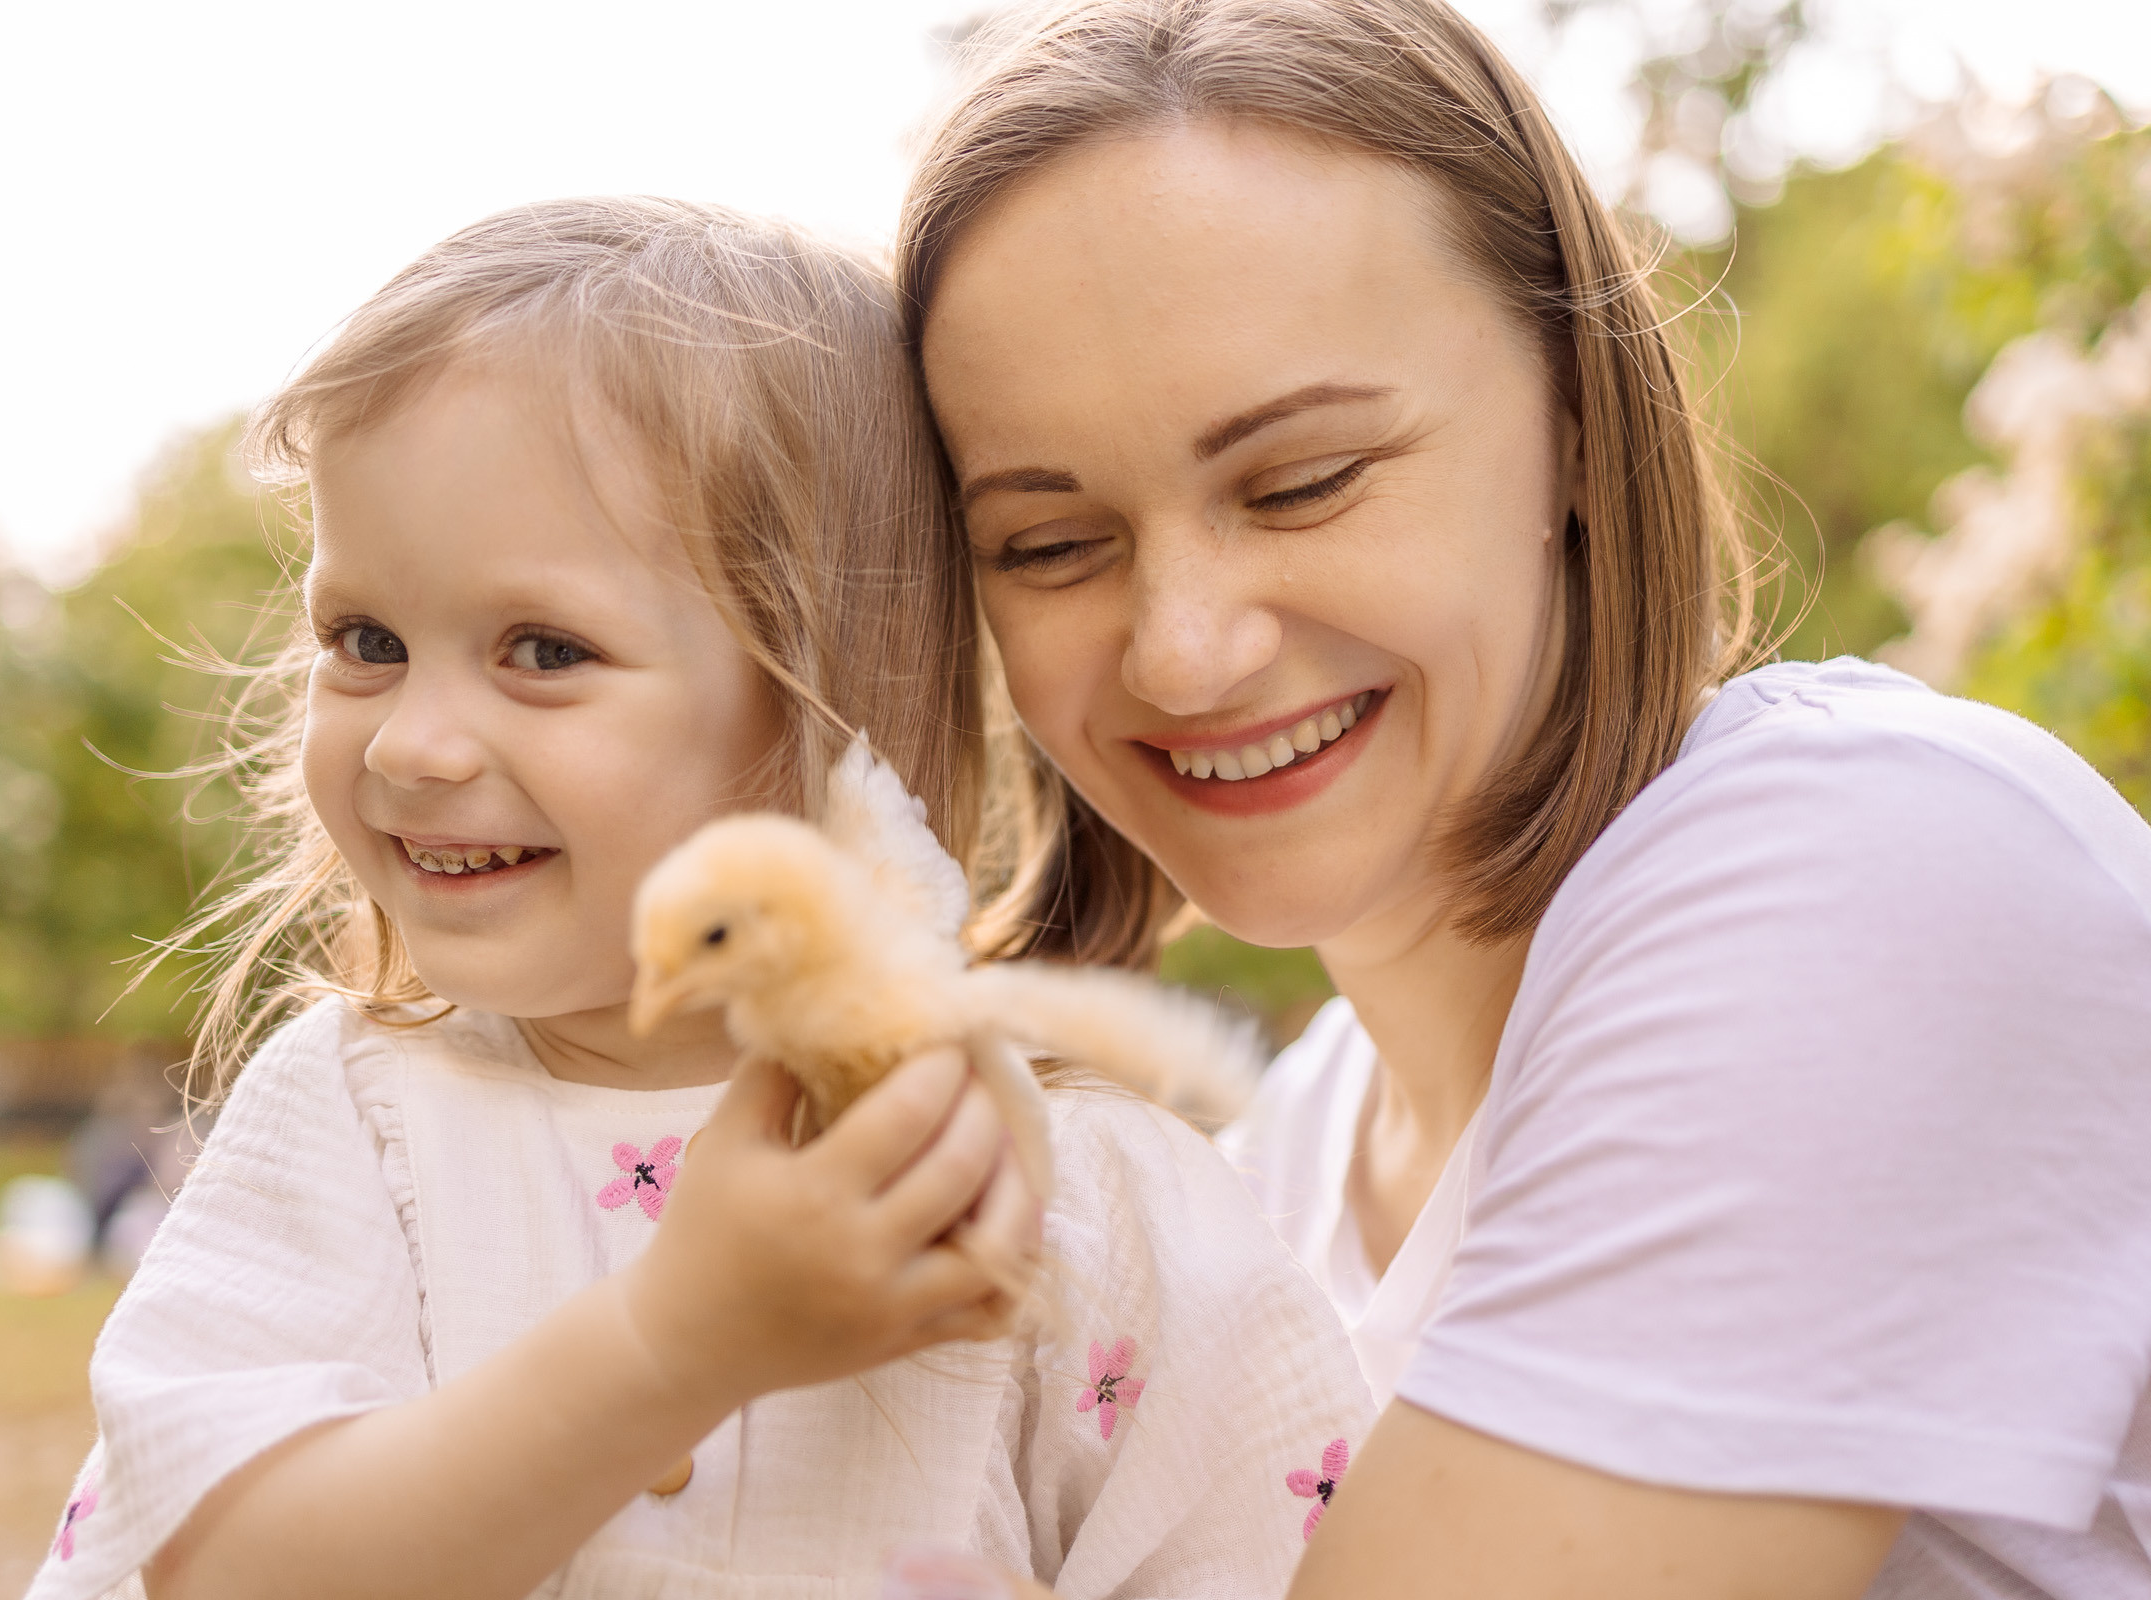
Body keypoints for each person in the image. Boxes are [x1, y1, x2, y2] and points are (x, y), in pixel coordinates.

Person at [893, 3, 2151, 1597]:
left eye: (1300, 482)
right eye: (1050, 544)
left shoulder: (1865, 871)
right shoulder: (1289, 1161)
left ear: (1569, 415)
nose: (1186, 650)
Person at [23, 197, 1368, 1600]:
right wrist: (673, 1344)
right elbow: (218, 1568)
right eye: (366, 641)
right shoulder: (357, 1124)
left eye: (543, 649)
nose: (414, 743)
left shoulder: (1069, 1184)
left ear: (821, 711)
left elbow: (1282, 1555)